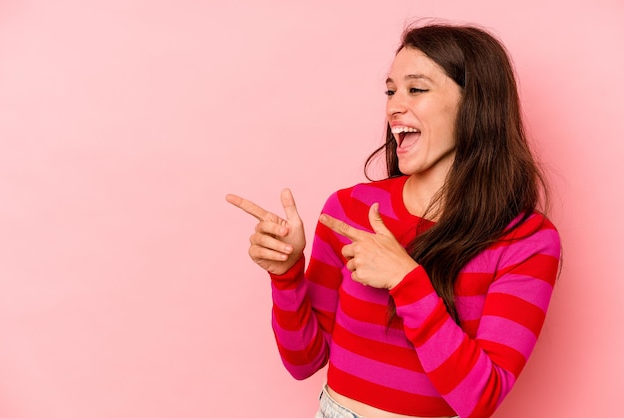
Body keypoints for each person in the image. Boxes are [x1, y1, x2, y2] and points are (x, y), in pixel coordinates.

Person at [226, 22, 561, 418]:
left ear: (476, 103)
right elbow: (304, 361)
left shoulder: (527, 240)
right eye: (390, 91)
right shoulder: (349, 210)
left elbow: (480, 399)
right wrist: (286, 275)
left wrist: (406, 280)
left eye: (416, 89)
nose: (393, 106)